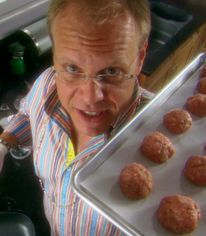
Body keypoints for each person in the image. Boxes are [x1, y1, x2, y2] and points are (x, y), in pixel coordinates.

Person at [0, 0, 153, 235]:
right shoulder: (47, 85)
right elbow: (28, 114)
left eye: (111, 71)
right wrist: (4, 143)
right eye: (72, 68)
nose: (90, 99)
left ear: (140, 57)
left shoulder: (156, 143)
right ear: (55, 57)